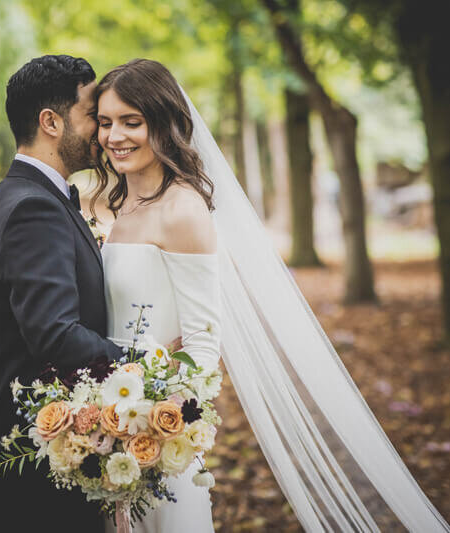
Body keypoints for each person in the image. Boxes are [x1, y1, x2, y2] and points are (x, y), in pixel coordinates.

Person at [93, 58, 450, 532]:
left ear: (162, 123)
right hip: (107, 422)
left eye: (130, 121)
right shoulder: (121, 204)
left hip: (157, 435)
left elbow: (202, 345)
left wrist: (152, 426)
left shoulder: (182, 209)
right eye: (105, 122)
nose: (114, 135)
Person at [0, 54, 122, 533]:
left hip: (42, 456)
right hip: (34, 467)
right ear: (51, 122)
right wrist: (144, 364)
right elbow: (55, 336)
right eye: (92, 114)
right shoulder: (34, 207)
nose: (101, 130)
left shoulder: (19, 194)